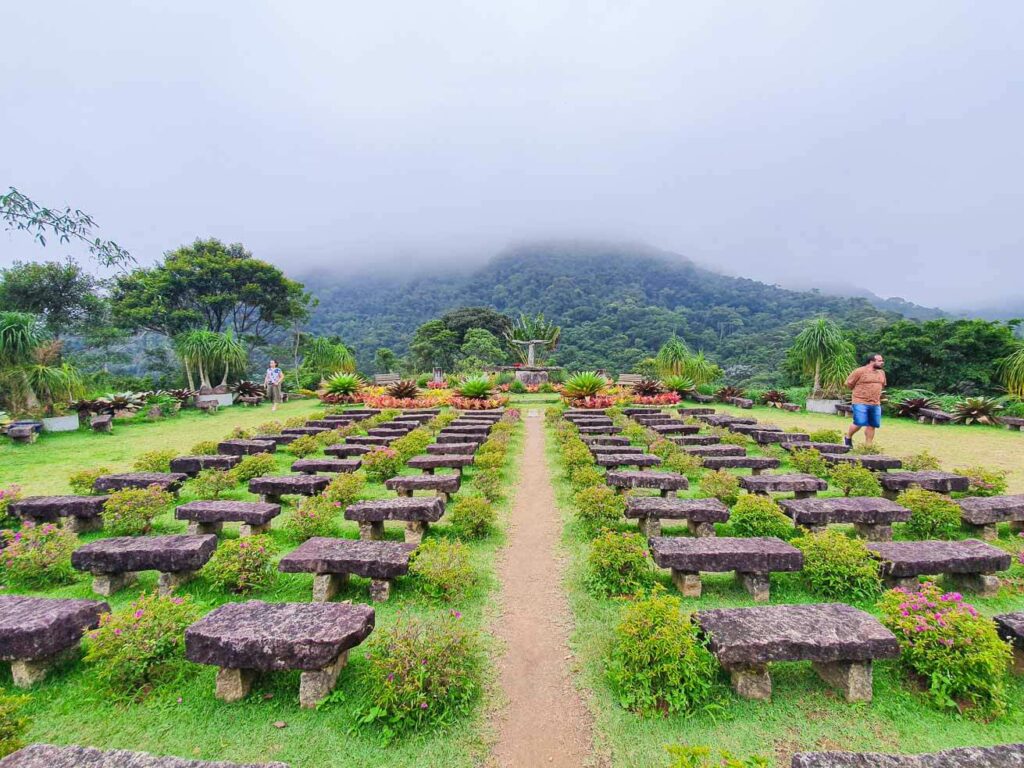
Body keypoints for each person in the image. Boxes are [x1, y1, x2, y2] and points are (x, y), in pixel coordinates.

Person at [844, 353, 886, 447]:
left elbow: (882, 385)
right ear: (871, 361)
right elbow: (848, 383)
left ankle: (868, 446)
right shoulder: (859, 371)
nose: (882, 363)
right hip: (860, 401)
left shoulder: (881, 373)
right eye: (879, 361)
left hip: (875, 403)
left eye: (882, 361)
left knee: (872, 424)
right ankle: (848, 437)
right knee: (859, 422)